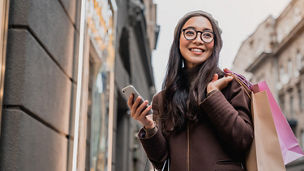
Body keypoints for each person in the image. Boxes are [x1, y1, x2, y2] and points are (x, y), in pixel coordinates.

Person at [127, 10, 253, 171]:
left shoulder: (231, 85)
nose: (198, 40)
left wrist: (213, 95)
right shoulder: (163, 99)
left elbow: (243, 141)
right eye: (190, 33)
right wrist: (149, 126)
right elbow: (161, 162)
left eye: (207, 35)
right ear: (178, 40)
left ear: (215, 43)